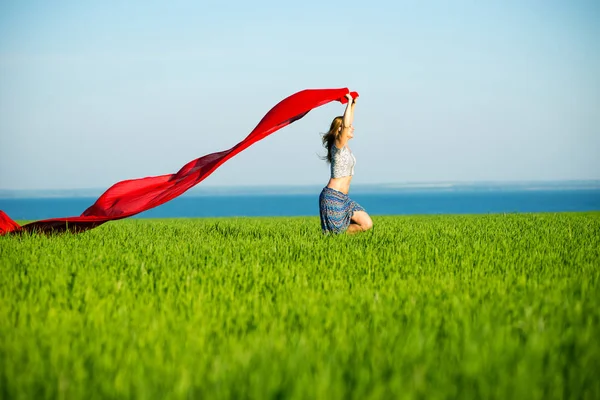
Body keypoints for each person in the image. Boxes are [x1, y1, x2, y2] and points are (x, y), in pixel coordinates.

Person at [319, 93, 373, 234]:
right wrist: (348, 102)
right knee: (336, 233)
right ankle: (335, 240)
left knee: (366, 223)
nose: (352, 128)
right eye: (349, 127)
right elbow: (346, 124)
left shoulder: (346, 147)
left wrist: (353, 105)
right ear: (340, 130)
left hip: (344, 198)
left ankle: (338, 238)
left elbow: (348, 123)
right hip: (332, 197)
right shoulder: (338, 145)